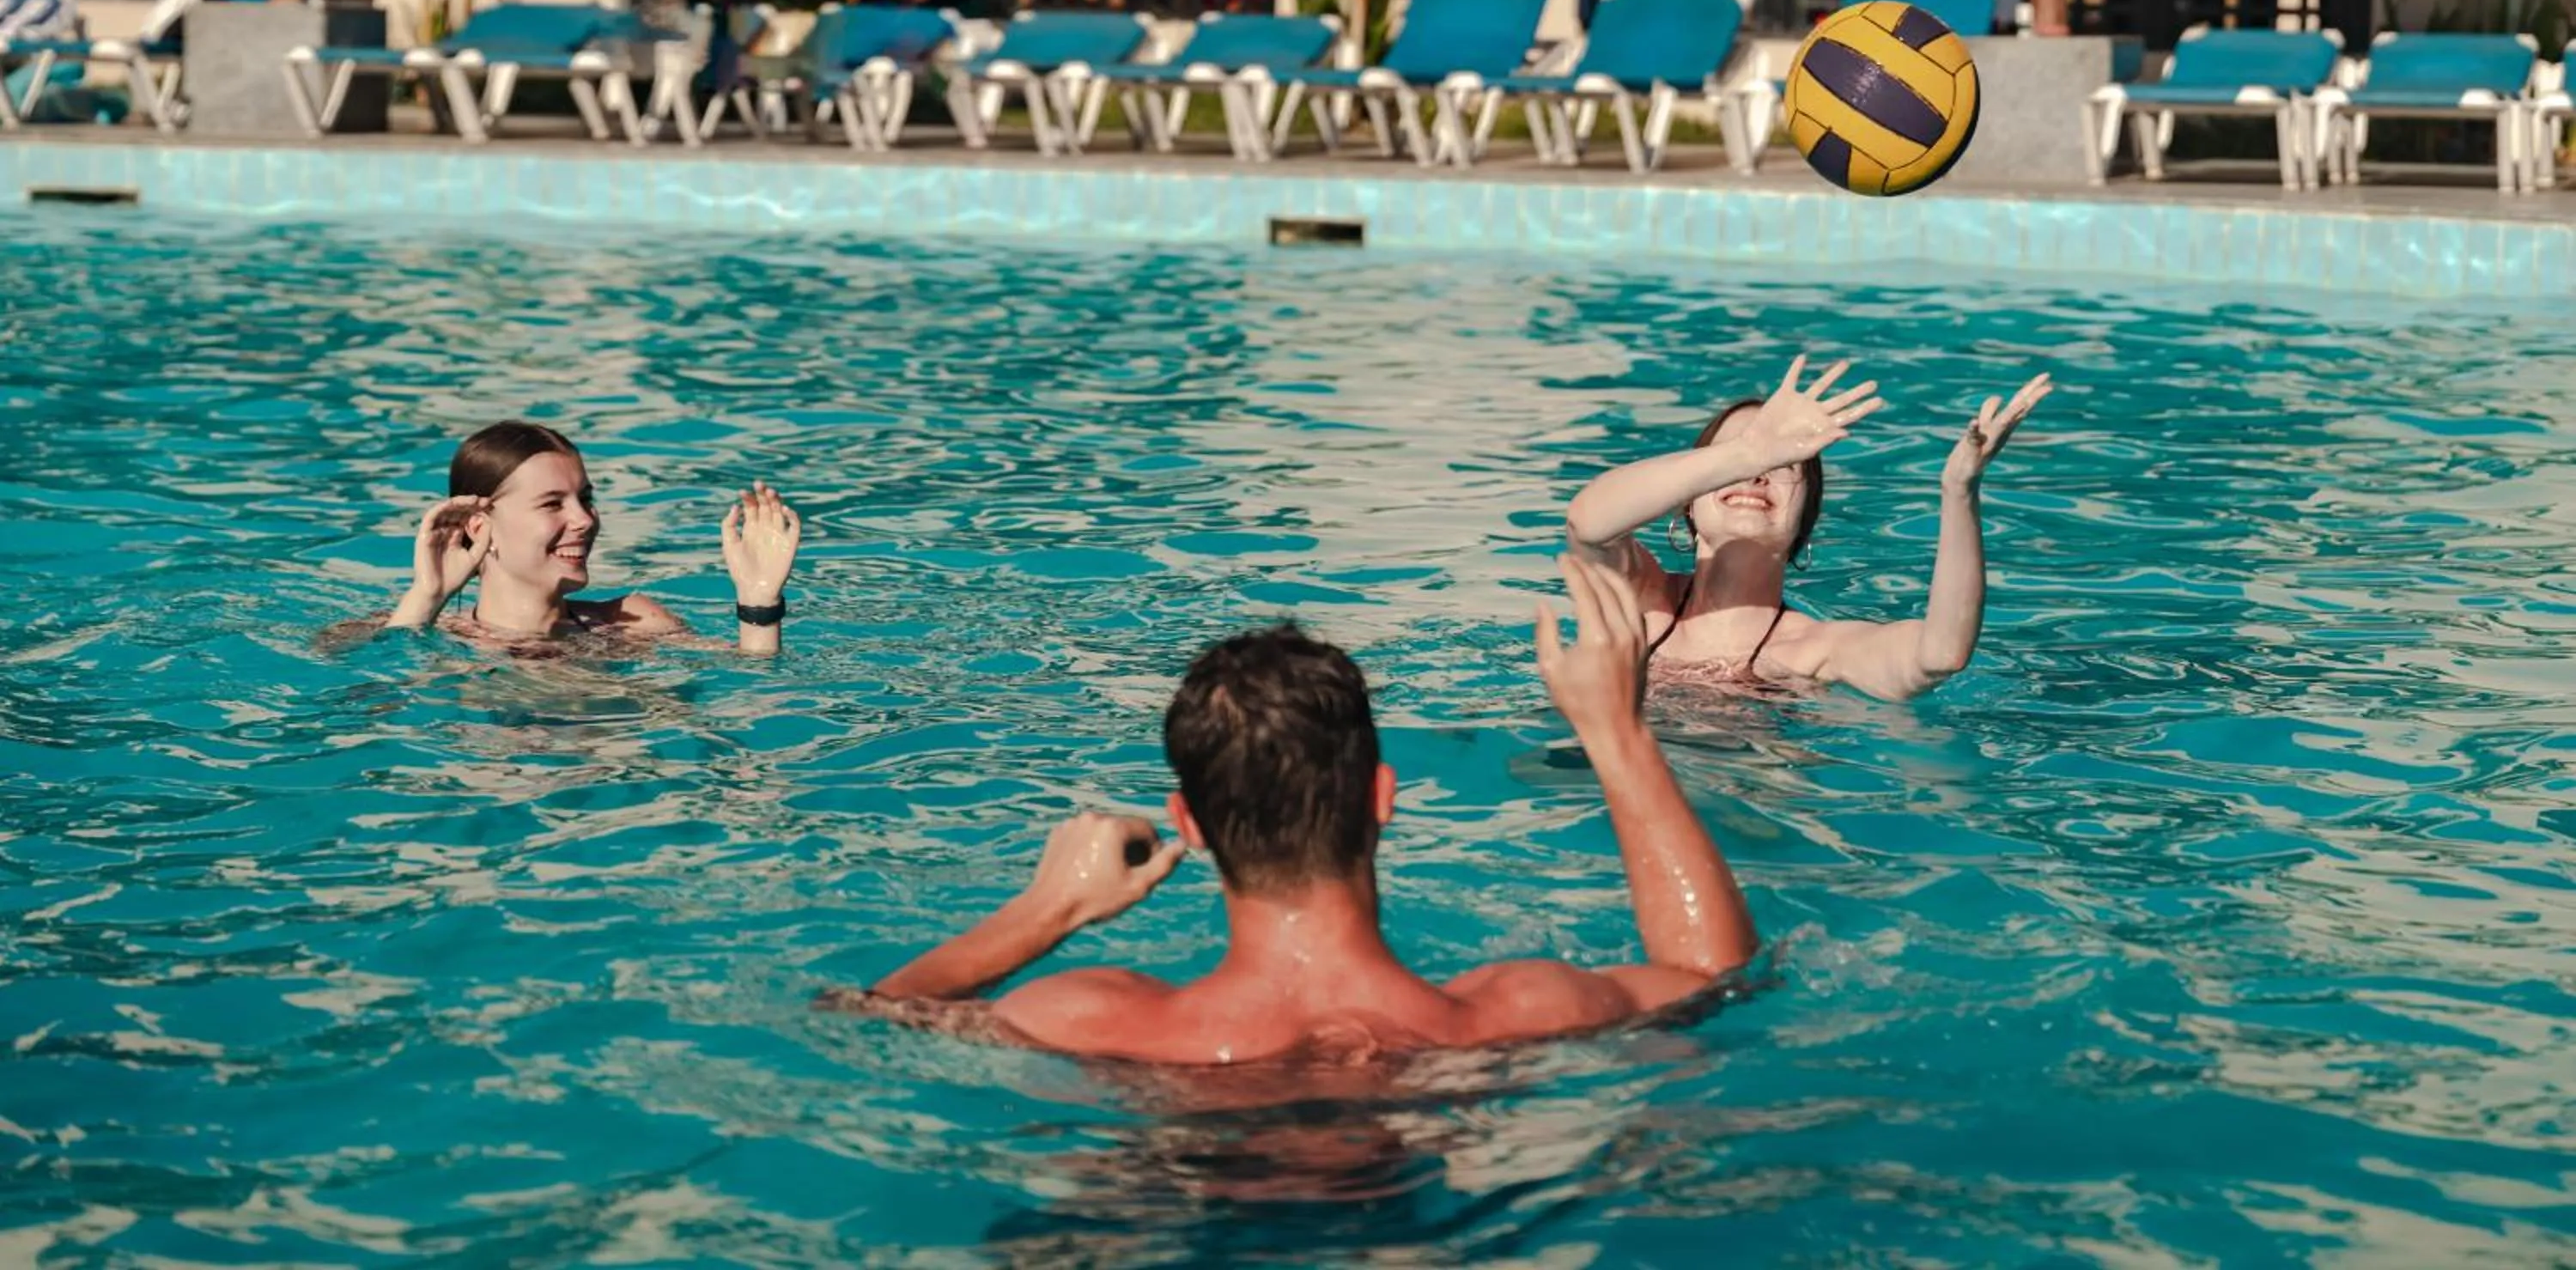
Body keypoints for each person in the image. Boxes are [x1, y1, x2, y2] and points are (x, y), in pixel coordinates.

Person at [821, 557, 1756, 1062]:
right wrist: (1617, 735)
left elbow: (861, 1016)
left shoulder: (1091, 1017)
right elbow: (1713, 977)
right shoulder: (1515, 1009)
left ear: (1188, 823)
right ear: (1382, 798)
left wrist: (1049, 908)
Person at [1563, 354, 2050, 701]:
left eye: (1785, 462)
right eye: (1733, 459)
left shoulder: (1816, 650)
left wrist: (1959, 490)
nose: (1756, 473)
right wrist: (1749, 452)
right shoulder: (1639, 601)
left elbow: (1940, 654)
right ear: (1688, 503)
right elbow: (1588, 523)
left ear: (1804, 521)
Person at [381, 420, 802, 656]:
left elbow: (754, 695)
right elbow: (383, 704)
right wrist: (428, 595)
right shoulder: (428, 635)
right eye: (551, 504)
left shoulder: (633, 624)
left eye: (585, 498)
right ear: (479, 528)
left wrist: (759, 601)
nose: (584, 519)